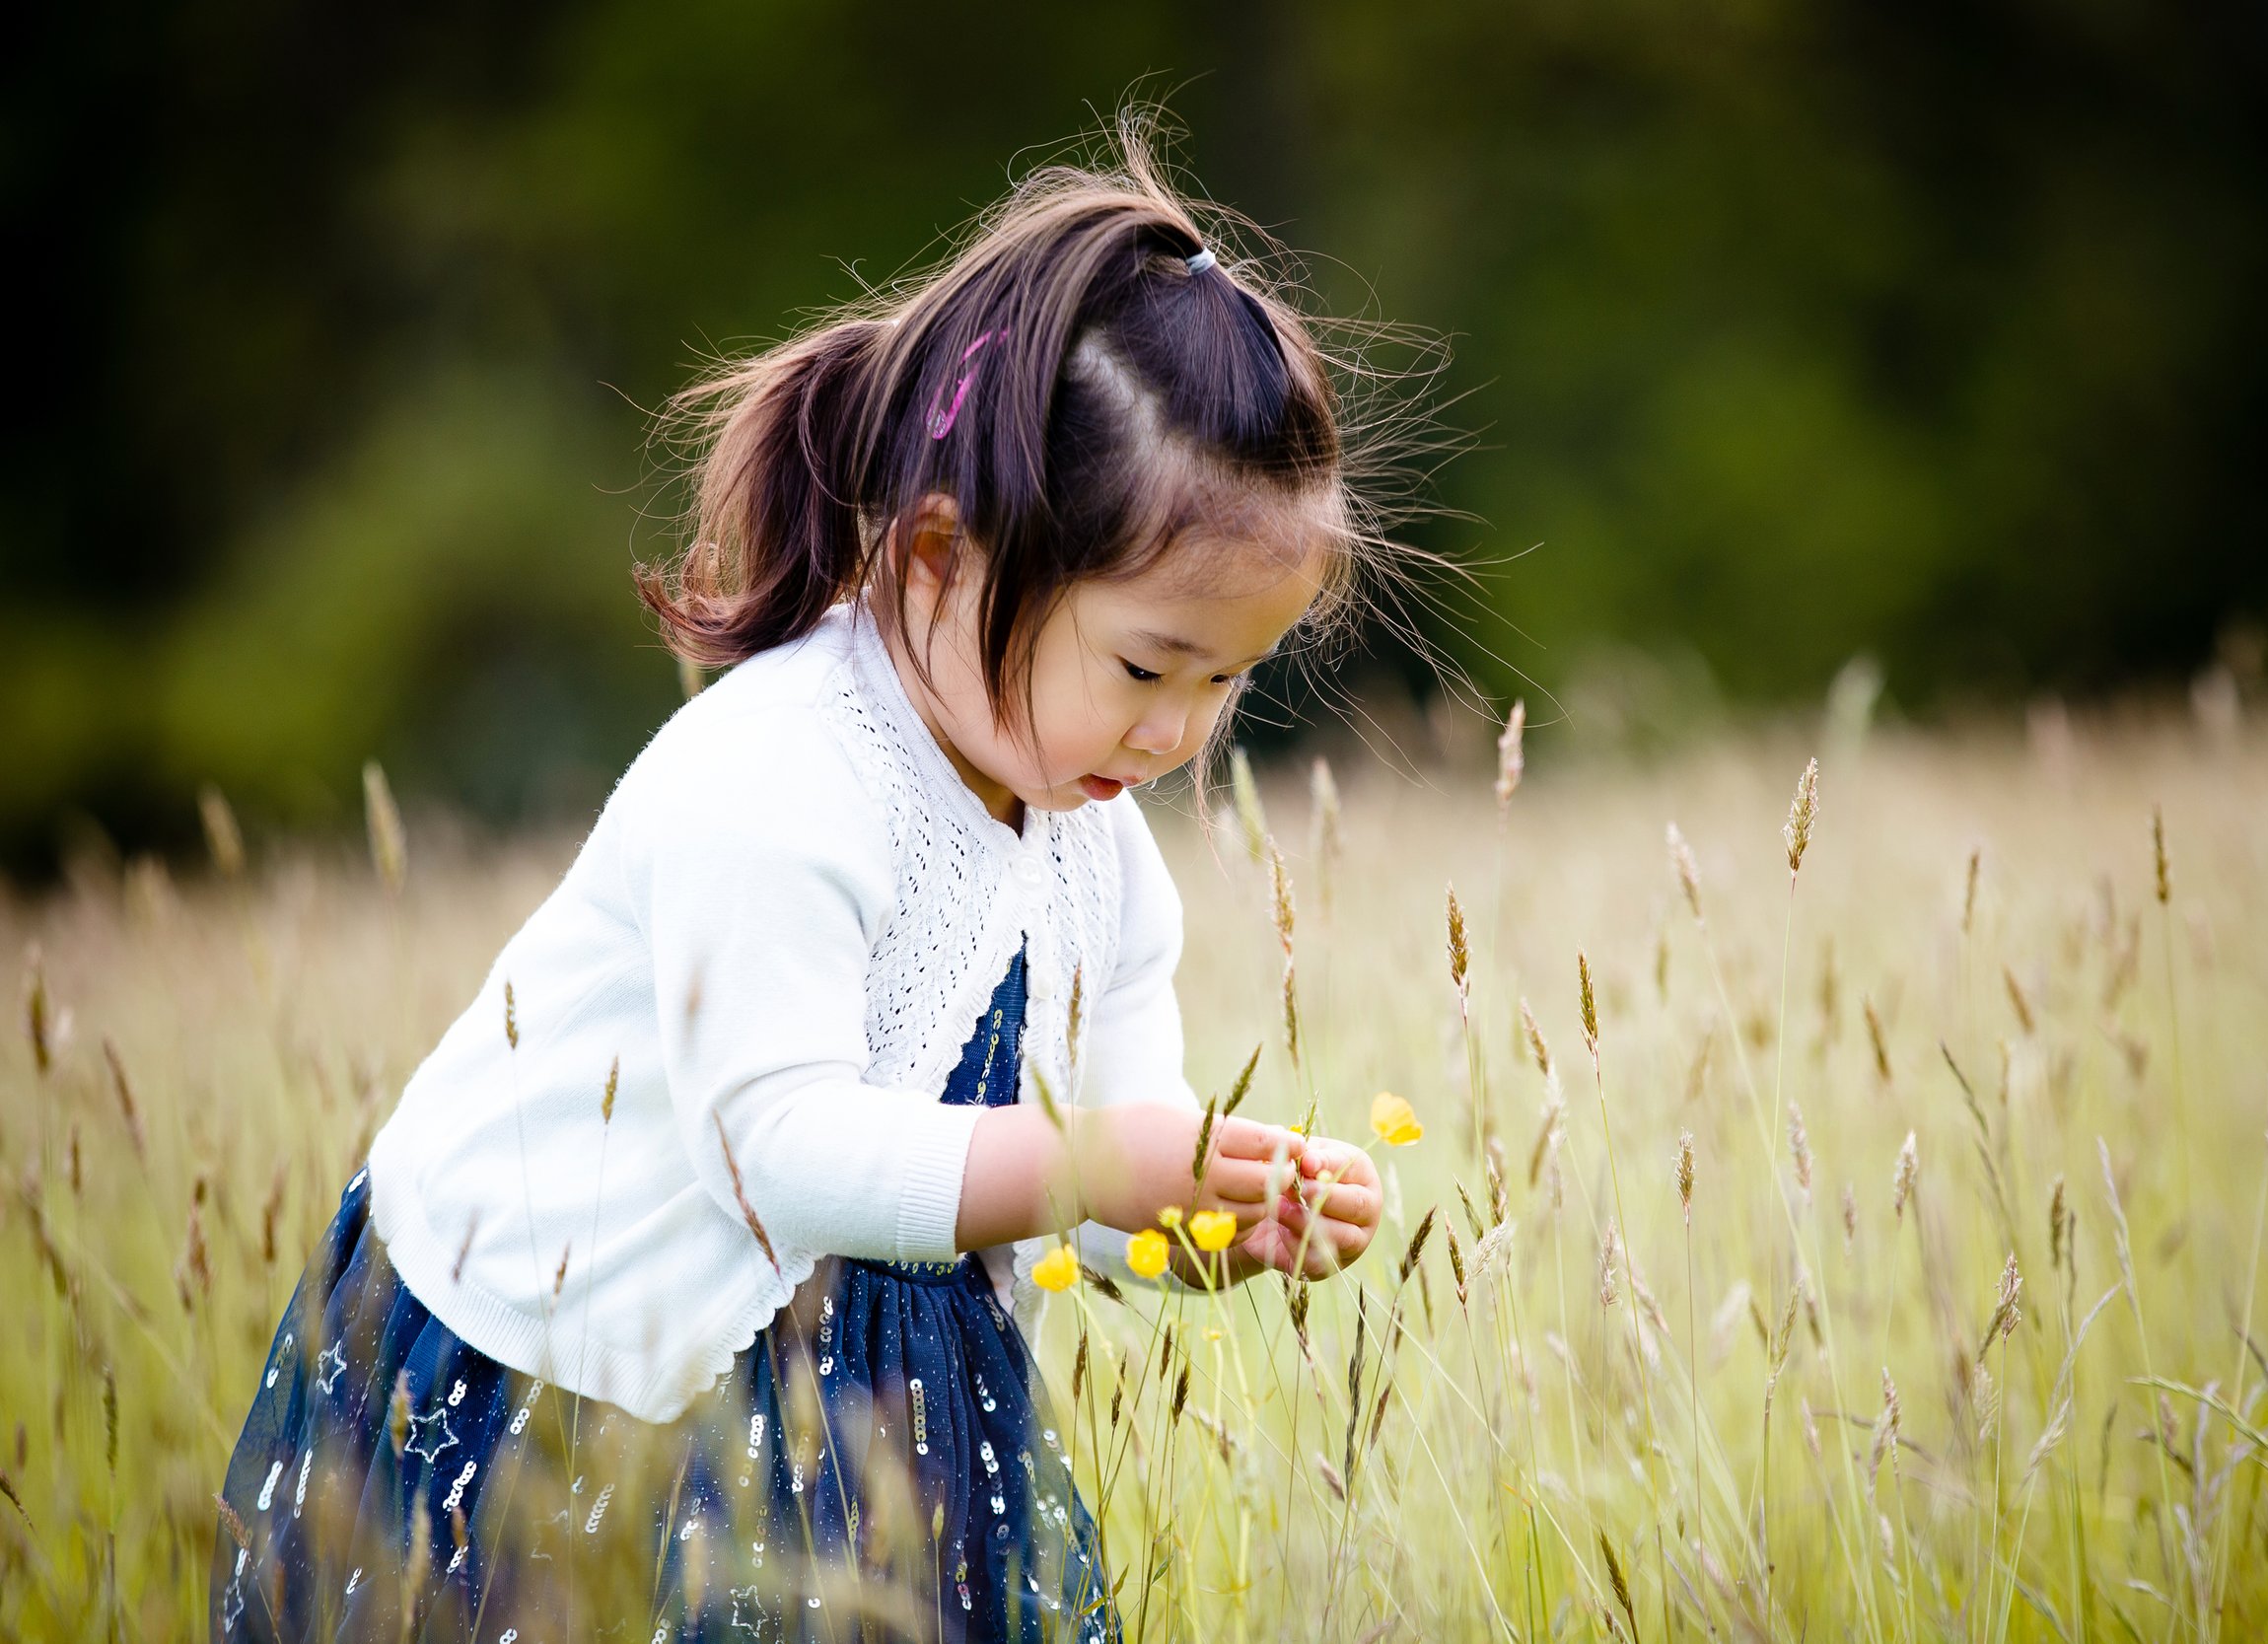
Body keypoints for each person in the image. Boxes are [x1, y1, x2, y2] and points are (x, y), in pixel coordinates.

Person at [211, 134, 1400, 1643]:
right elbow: (779, 1152)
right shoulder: (780, 775)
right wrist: (1101, 1161)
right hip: (565, 1371)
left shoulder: (1102, 853)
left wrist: (1207, 1215)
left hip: (863, 1396)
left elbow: (1100, 1190)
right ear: (933, 559)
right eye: (1145, 665)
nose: (1174, 733)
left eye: (1228, 679)